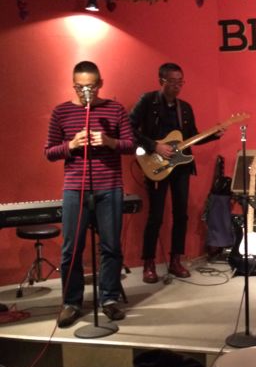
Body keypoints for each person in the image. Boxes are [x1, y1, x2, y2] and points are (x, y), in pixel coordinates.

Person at [45, 61, 135, 328]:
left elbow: (131, 145)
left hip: (110, 186)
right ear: (73, 85)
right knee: (71, 248)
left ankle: (109, 298)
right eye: (80, 87)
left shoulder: (115, 109)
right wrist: (71, 145)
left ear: (101, 84)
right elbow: (49, 152)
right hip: (75, 187)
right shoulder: (61, 112)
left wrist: (109, 141)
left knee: (111, 246)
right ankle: (71, 302)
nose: (86, 92)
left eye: (92, 87)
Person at [130, 63, 223, 283]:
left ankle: (175, 261)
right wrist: (155, 146)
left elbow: (191, 137)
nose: (177, 86)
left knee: (181, 215)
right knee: (156, 216)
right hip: (155, 164)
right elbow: (128, 128)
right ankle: (149, 263)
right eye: (172, 81)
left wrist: (213, 134)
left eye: (180, 82)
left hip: (180, 167)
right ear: (161, 81)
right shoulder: (147, 101)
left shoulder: (185, 108)